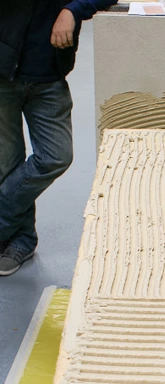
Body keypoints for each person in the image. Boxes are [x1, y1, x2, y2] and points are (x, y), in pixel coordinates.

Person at [0, 0, 115, 277]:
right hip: (3, 72)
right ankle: (21, 243)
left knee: (56, 156)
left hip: (48, 73)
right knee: (8, 166)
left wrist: (73, 9)